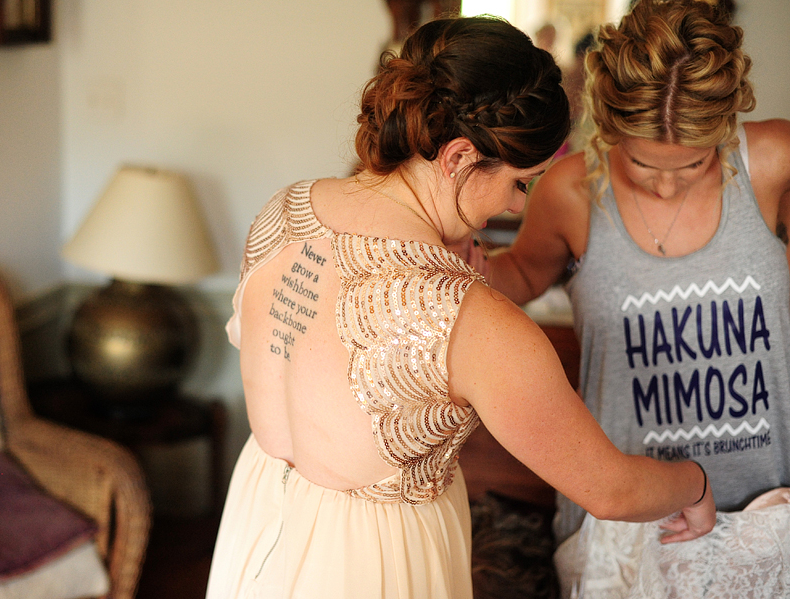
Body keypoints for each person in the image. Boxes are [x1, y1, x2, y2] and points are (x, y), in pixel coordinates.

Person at [205, 16, 715, 599]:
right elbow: (610, 490)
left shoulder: (285, 209)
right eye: (521, 182)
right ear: (458, 157)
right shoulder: (475, 323)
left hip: (260, 522)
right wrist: (696, 485)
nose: (519, 207)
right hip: (372, 565)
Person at [459, 0, 790, 595]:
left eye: (692, 163)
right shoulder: (572, 190)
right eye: (641, 162)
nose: (666, 183)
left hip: (764, 514)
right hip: (626, 524)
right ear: (609, 127)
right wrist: (462, 259)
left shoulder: (771, 162)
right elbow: (523, 278)